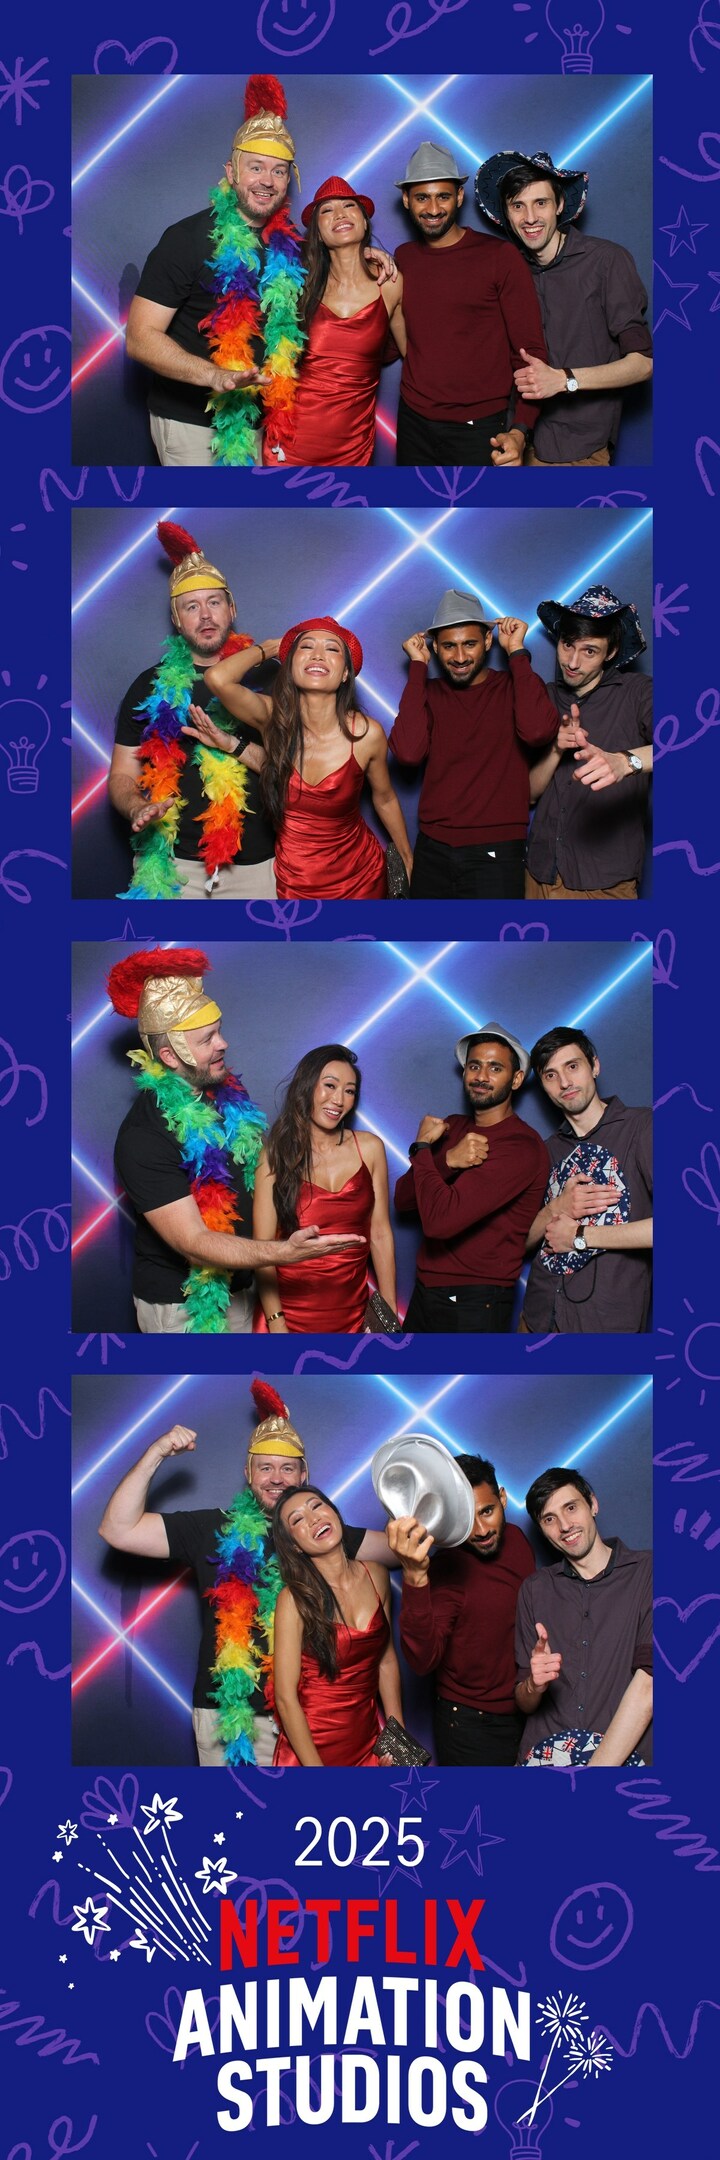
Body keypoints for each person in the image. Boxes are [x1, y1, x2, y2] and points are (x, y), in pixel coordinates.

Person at [97, 1383, 394, 1767]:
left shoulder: (322, 1532)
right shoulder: (212, 1529)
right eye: (265, 1467)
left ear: (304, 1474)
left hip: (311, 1720)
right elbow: (118, 1530)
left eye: (287, 1468)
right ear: (248, 1473)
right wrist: (156, 1453)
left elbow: (401, 1550)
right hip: (231, 1720)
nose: (276, 1478)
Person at [125, 76, 396, 467]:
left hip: (262, 425)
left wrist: (363, 250)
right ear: (232, 172)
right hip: (194, 424)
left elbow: (335, 257)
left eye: (279, 171)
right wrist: (213, 376)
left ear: (289, 180)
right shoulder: (186, 238)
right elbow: (139, 338)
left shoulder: (292, 248)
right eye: (256, 167)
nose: (267, 181)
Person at [107, 949, 365, 1334]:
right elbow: (194, 1241)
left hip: (240, 1290)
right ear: (170, 1056)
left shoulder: (226, 1098)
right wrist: (285, 1253)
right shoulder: (143, 1137)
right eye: (207, 1039)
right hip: (185, 1310)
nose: (223, 1044)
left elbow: (261, 1173)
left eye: (219, 1031)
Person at [108, 520, 277, 901]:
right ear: (176, 620)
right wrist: (136, 806)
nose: (205, 615)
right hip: (171, 868)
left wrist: (233, 745)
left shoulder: (268, 679)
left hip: (255, 869)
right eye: (191, 606)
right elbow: (121, 774)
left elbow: (296, 775)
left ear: (231, 608)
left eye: (214, 602)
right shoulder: (149, 686)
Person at [205, 616, 413, 899]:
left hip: (361, 878)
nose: (317, 654)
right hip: (295, 881)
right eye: (306, 647)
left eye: (332, 649)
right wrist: (272, 648)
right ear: (290, 666)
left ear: (345, 674)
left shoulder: (367, 734)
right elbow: (217, 678)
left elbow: (385, 798)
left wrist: (407, 857)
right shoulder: (272, 718)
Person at [475, 149, 653, 467]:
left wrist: (564, 379)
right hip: (515, 442)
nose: (530, 217)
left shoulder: (606, 261)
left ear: (559, 205)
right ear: (507, 213)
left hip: (583, 449)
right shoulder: (506, 270)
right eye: (518, 205)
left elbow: (643, 364)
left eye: (541, 203)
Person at [389, 589, 559, 899]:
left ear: (488, 641)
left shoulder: (514, 686)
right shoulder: (428, 693)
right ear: (436, 648)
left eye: (470, 643)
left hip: (498, 850)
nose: (460, 657)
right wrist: (417, 668)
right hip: (432, 848)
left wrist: (517, 652)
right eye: (449, 646)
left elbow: (537, 732)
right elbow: (408, 754)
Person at [392, 141, 547, 467]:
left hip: (480, 428)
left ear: (460, 196)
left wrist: (520, 429)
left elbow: (530, 352)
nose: (433, 208)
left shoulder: (499, 256)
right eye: (422, 197)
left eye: (443, 196)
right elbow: (396, 338)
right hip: (413, 422)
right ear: (406, 200)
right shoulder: (403, 258)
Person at [394, 1023, 549, 1332]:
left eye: (495, 1068)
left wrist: (422, 1147)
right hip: (426, 1290)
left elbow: (439, 1223)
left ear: (517, 1079)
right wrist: (448, 1160)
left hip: (475, 1301)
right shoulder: (452, 1126)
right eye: (474, 1066)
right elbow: (403, 1200)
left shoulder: (521, 1145)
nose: (481, 1076)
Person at [388, 1455, 535, 1766]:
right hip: (471, 1726)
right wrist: (414, 1577)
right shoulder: (446, 1569)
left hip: (528, 1710)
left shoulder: (518, 1540)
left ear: (503, 1499)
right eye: (467, 1518)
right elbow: (422, 1660)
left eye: (487, 1511)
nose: (481, 1530)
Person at [253, 1045, 398, 1333]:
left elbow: (380, 1234)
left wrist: (389, 1313)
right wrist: (277, 1324)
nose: (339, 1100)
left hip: (354, 1317)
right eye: (330, 1085)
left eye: (349, 1091)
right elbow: (262, 1250)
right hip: (288, 1316)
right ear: (306, 1087)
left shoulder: (370, 1148)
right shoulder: (274, 1156)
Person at [515, 1467, 653, 1767]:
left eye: (571, 1507)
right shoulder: (534, 1590)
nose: (565, 1526)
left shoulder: (649, 1572)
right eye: (549, 1519)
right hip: (543, 1758)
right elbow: (524, 1703)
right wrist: (534, 1686)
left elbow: (649, 1686)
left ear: (593, 1504)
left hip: (623, 1761)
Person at [520, 1026, 652, 1335]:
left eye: (572, 1066)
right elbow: (520, 1242)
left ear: (594, 1066)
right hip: (536, 1317)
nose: (564, 1082)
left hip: (605, 1324)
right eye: (550, 1075)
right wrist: (556, 1208)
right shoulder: (547, 1150)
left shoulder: (643, 1127)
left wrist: (580, 1235)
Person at [524, 585, 652, 900]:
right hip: (539, 873)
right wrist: (556, 748)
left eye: (589, 651)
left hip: (604, 883)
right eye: (568, 644)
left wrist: (625, 762)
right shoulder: (546, 697)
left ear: (611, 652)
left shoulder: (637, 692)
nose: (572, 662)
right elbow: (528, 795)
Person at [277, 177, 405, 467]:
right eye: (327, 210)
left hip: (353, 445)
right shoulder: (297, 285)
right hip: (290, 441)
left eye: (349, 206)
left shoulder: (391, 283)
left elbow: (415, 355)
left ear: (365, 223)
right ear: (318, 234)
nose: (339, 214)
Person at [271, 1486, 403, 1766]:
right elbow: (284, 1698)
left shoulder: (376, 1574)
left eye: (316, 1506)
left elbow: (386, 1660)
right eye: (298, 1519)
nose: (314, 1519)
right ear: (294, 1545)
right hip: (312, 1750)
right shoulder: (293, 1599)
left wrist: (396, 1737)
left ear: (333, 1511)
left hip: (367, 1744)